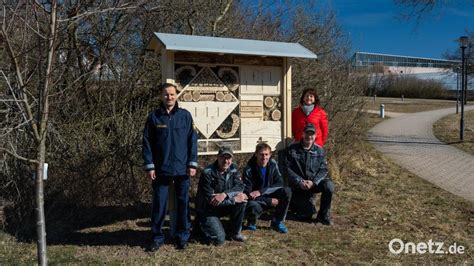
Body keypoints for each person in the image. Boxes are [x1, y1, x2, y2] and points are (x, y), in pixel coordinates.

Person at [142, 83, 198, 251]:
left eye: (172, 94)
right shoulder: (154, 118)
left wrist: (192, 163)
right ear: (161, 96)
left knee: (183, 204)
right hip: (161, 169)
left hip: (182, 169)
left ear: (176, 95)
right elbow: (146, 143)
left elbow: (192, 142)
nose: (169, 97)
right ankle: (157, 238)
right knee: (159, 205)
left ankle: (182, 236)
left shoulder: (185, 116)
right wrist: (150, 166)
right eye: (166, 94)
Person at [195, 146, 248, 245]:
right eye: (223, 157)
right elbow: (211, 200)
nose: (226, 161)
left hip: (223, 204)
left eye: (228, 158)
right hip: (208, 209)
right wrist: (233, 199)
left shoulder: (233, 168)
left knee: (242, 200)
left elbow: (240, 186)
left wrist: (225, 194)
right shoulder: (207, 173)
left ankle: (234, 233)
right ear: (218, 157)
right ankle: (200, 227)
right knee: (219, 240)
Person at [285, 123, 334, 225]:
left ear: (315, 136)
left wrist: (314, 182)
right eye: (307, 133)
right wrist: (299, 181)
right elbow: (287, 169)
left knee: (329, 186)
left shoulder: (319, 150)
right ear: (303, 134)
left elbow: (323, 169)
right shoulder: (292, 149)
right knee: (305, 215)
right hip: (298, 185)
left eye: (312, 134)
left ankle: (323, 215)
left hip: (313, 183)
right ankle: (296, 205)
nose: (309, 137)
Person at [242, 143, 292, 234]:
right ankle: (251, 221)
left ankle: (277, 221)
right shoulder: (248, 169)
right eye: (261, 154)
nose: (264, 157)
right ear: (256, 154)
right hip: (256, 200)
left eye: (266, 154)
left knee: (287, 191)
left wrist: (261, 191)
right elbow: (248, 194)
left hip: (267, 194)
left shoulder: (273, 164)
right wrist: (268, 200)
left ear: (270, 155)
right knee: (253, 206)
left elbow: (280, 183)